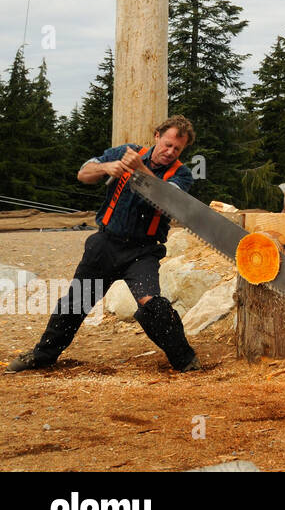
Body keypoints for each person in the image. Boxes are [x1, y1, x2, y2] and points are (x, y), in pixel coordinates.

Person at [5, 115, 202, 374]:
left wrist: (140, 170)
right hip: (105, 244)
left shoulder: (182, 174)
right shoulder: (125, 152)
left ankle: (186, 360)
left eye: (177, 148)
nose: (170, 152)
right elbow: (83, 173)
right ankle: (43, 355)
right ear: (157, 136)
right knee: (77, 301)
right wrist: (108, 167)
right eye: (167, 144)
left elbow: (169, 199)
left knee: (152, 303)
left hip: (143, 252)